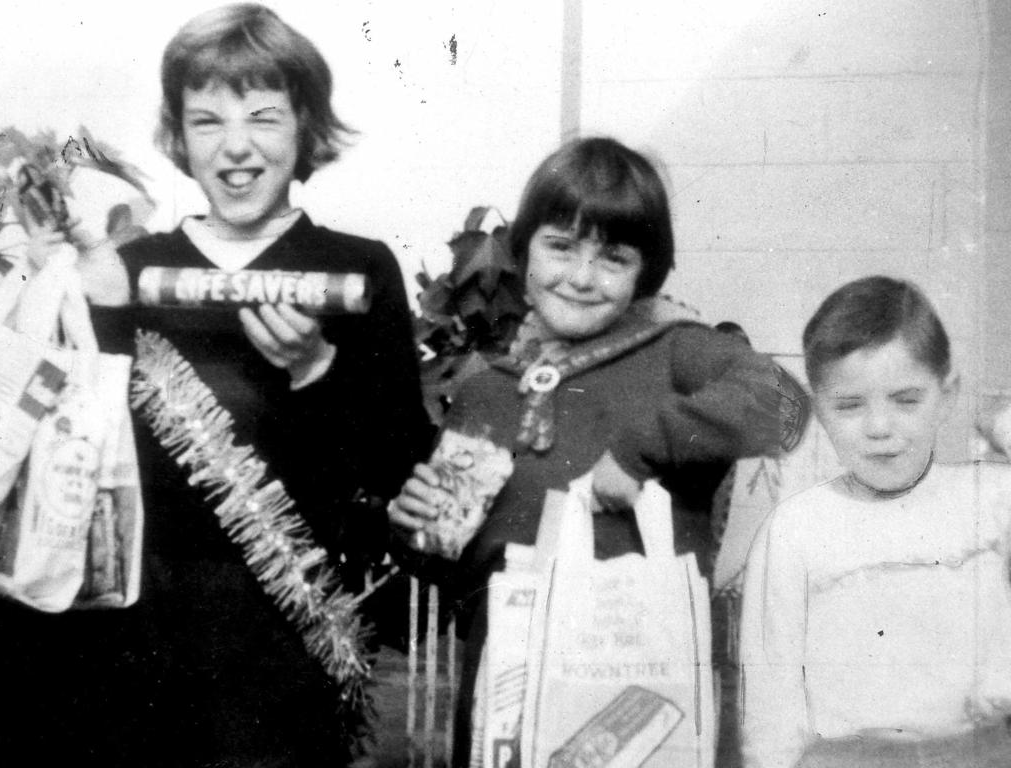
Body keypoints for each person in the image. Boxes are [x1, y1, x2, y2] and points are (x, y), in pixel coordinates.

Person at [0, 4, 432, 766]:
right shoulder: (123, 265)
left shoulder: (358, 269)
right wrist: (54, 287)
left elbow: (400, 467)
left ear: (305, 129)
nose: (236, 147)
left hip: (282, 648)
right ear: (181, 140)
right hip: (127, 636)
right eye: (206, 121)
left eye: (263, 117)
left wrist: (317, 372)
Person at [388, 136, 793, 767]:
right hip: (510, 699)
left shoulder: (675, 352)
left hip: (640, 697)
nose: (580, 277)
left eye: (613, 257)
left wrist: (640, 451)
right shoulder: (489, 391)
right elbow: (459, 574)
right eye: (560, 246)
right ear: (523, 252)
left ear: (645, 272)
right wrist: (417, 531)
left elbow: (784, 404)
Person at [740, 275, 1011, 768]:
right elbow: (770, 705)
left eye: (907, 400)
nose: (880, 428)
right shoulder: (796, 529)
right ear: (819, 408)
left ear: (947, 395)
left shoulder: (990, 500)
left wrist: (998, 418)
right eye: (849, 405)